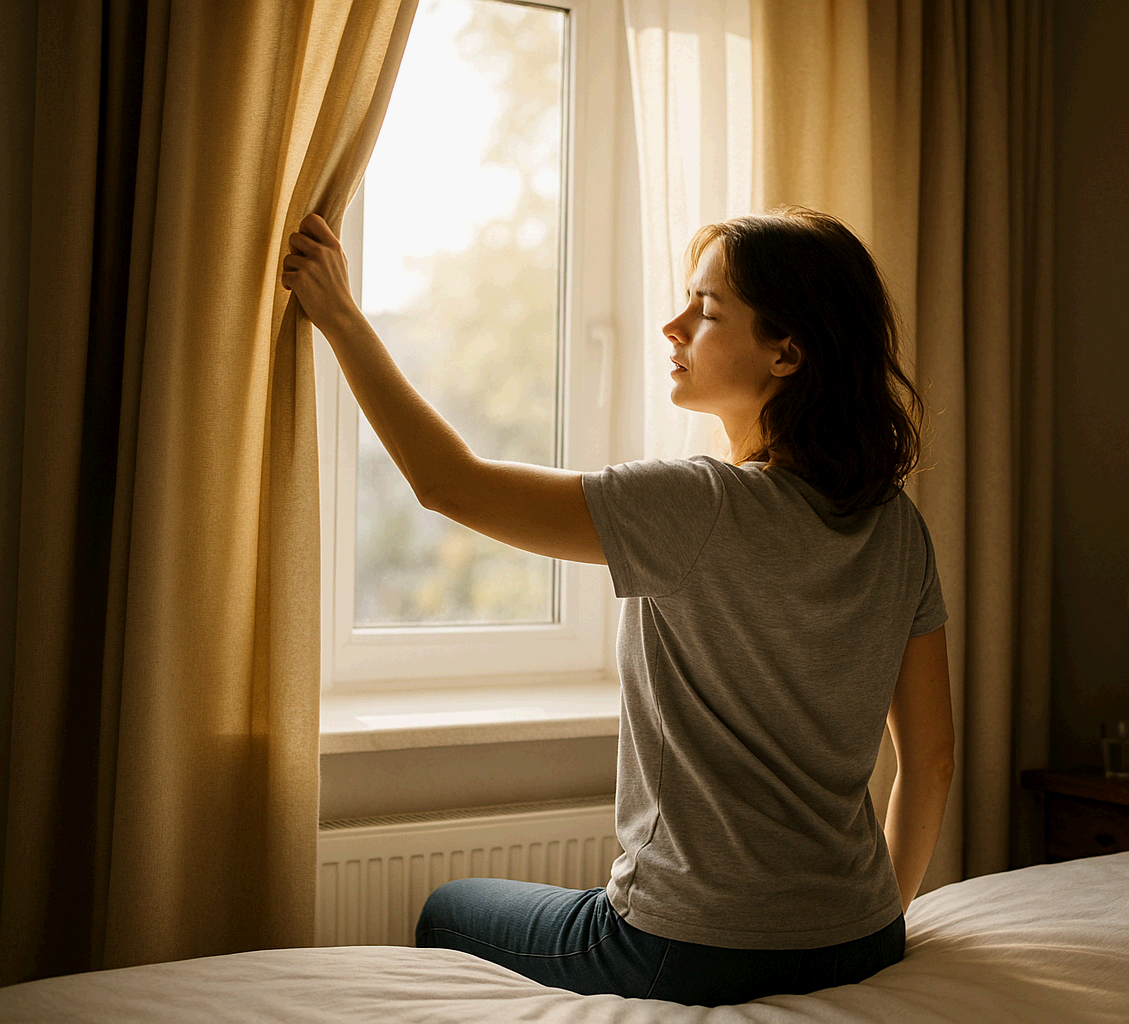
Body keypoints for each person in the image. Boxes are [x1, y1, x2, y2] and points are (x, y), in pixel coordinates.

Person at [281, 206, 954, 1005]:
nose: (673, 326)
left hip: (689, 949)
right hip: (863, 933)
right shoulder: (898, 525)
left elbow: (449, 484)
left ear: (787, 352)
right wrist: (873, 923)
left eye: (704, 311)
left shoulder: (696, 504)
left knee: (447, 908)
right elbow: (933, 760)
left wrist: (341, 318)